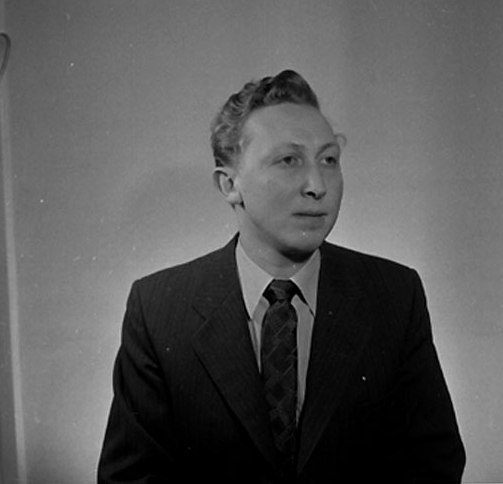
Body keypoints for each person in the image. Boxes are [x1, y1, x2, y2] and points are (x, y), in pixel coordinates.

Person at [97, 70, 466, 483]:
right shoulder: (159, 308)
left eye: (329, 160)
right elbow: (131, 478)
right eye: (289, 160)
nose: (317, 185)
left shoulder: (394, 295)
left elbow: (433, 467)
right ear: (230, 185)